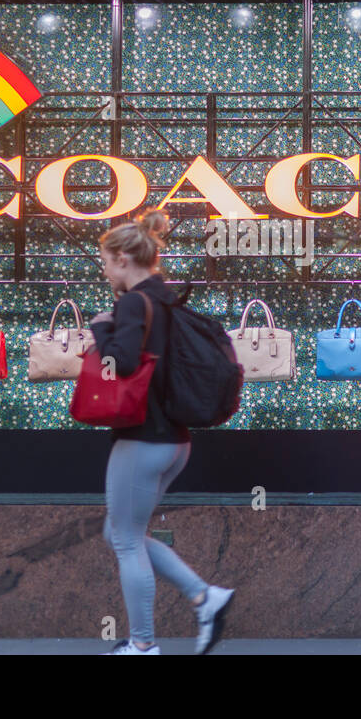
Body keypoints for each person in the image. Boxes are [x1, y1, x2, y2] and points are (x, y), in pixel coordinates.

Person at [87, 208, 235, 655]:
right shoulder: (166, 299)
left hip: (141, 438)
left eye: (106, 263)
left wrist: (99, 331)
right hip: (174, 440)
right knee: (118, 533)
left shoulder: (134, 302)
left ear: (122, 259)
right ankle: (204, 597)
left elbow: (122, 364)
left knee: (126, 540)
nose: (105, 272)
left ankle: (143, 645)